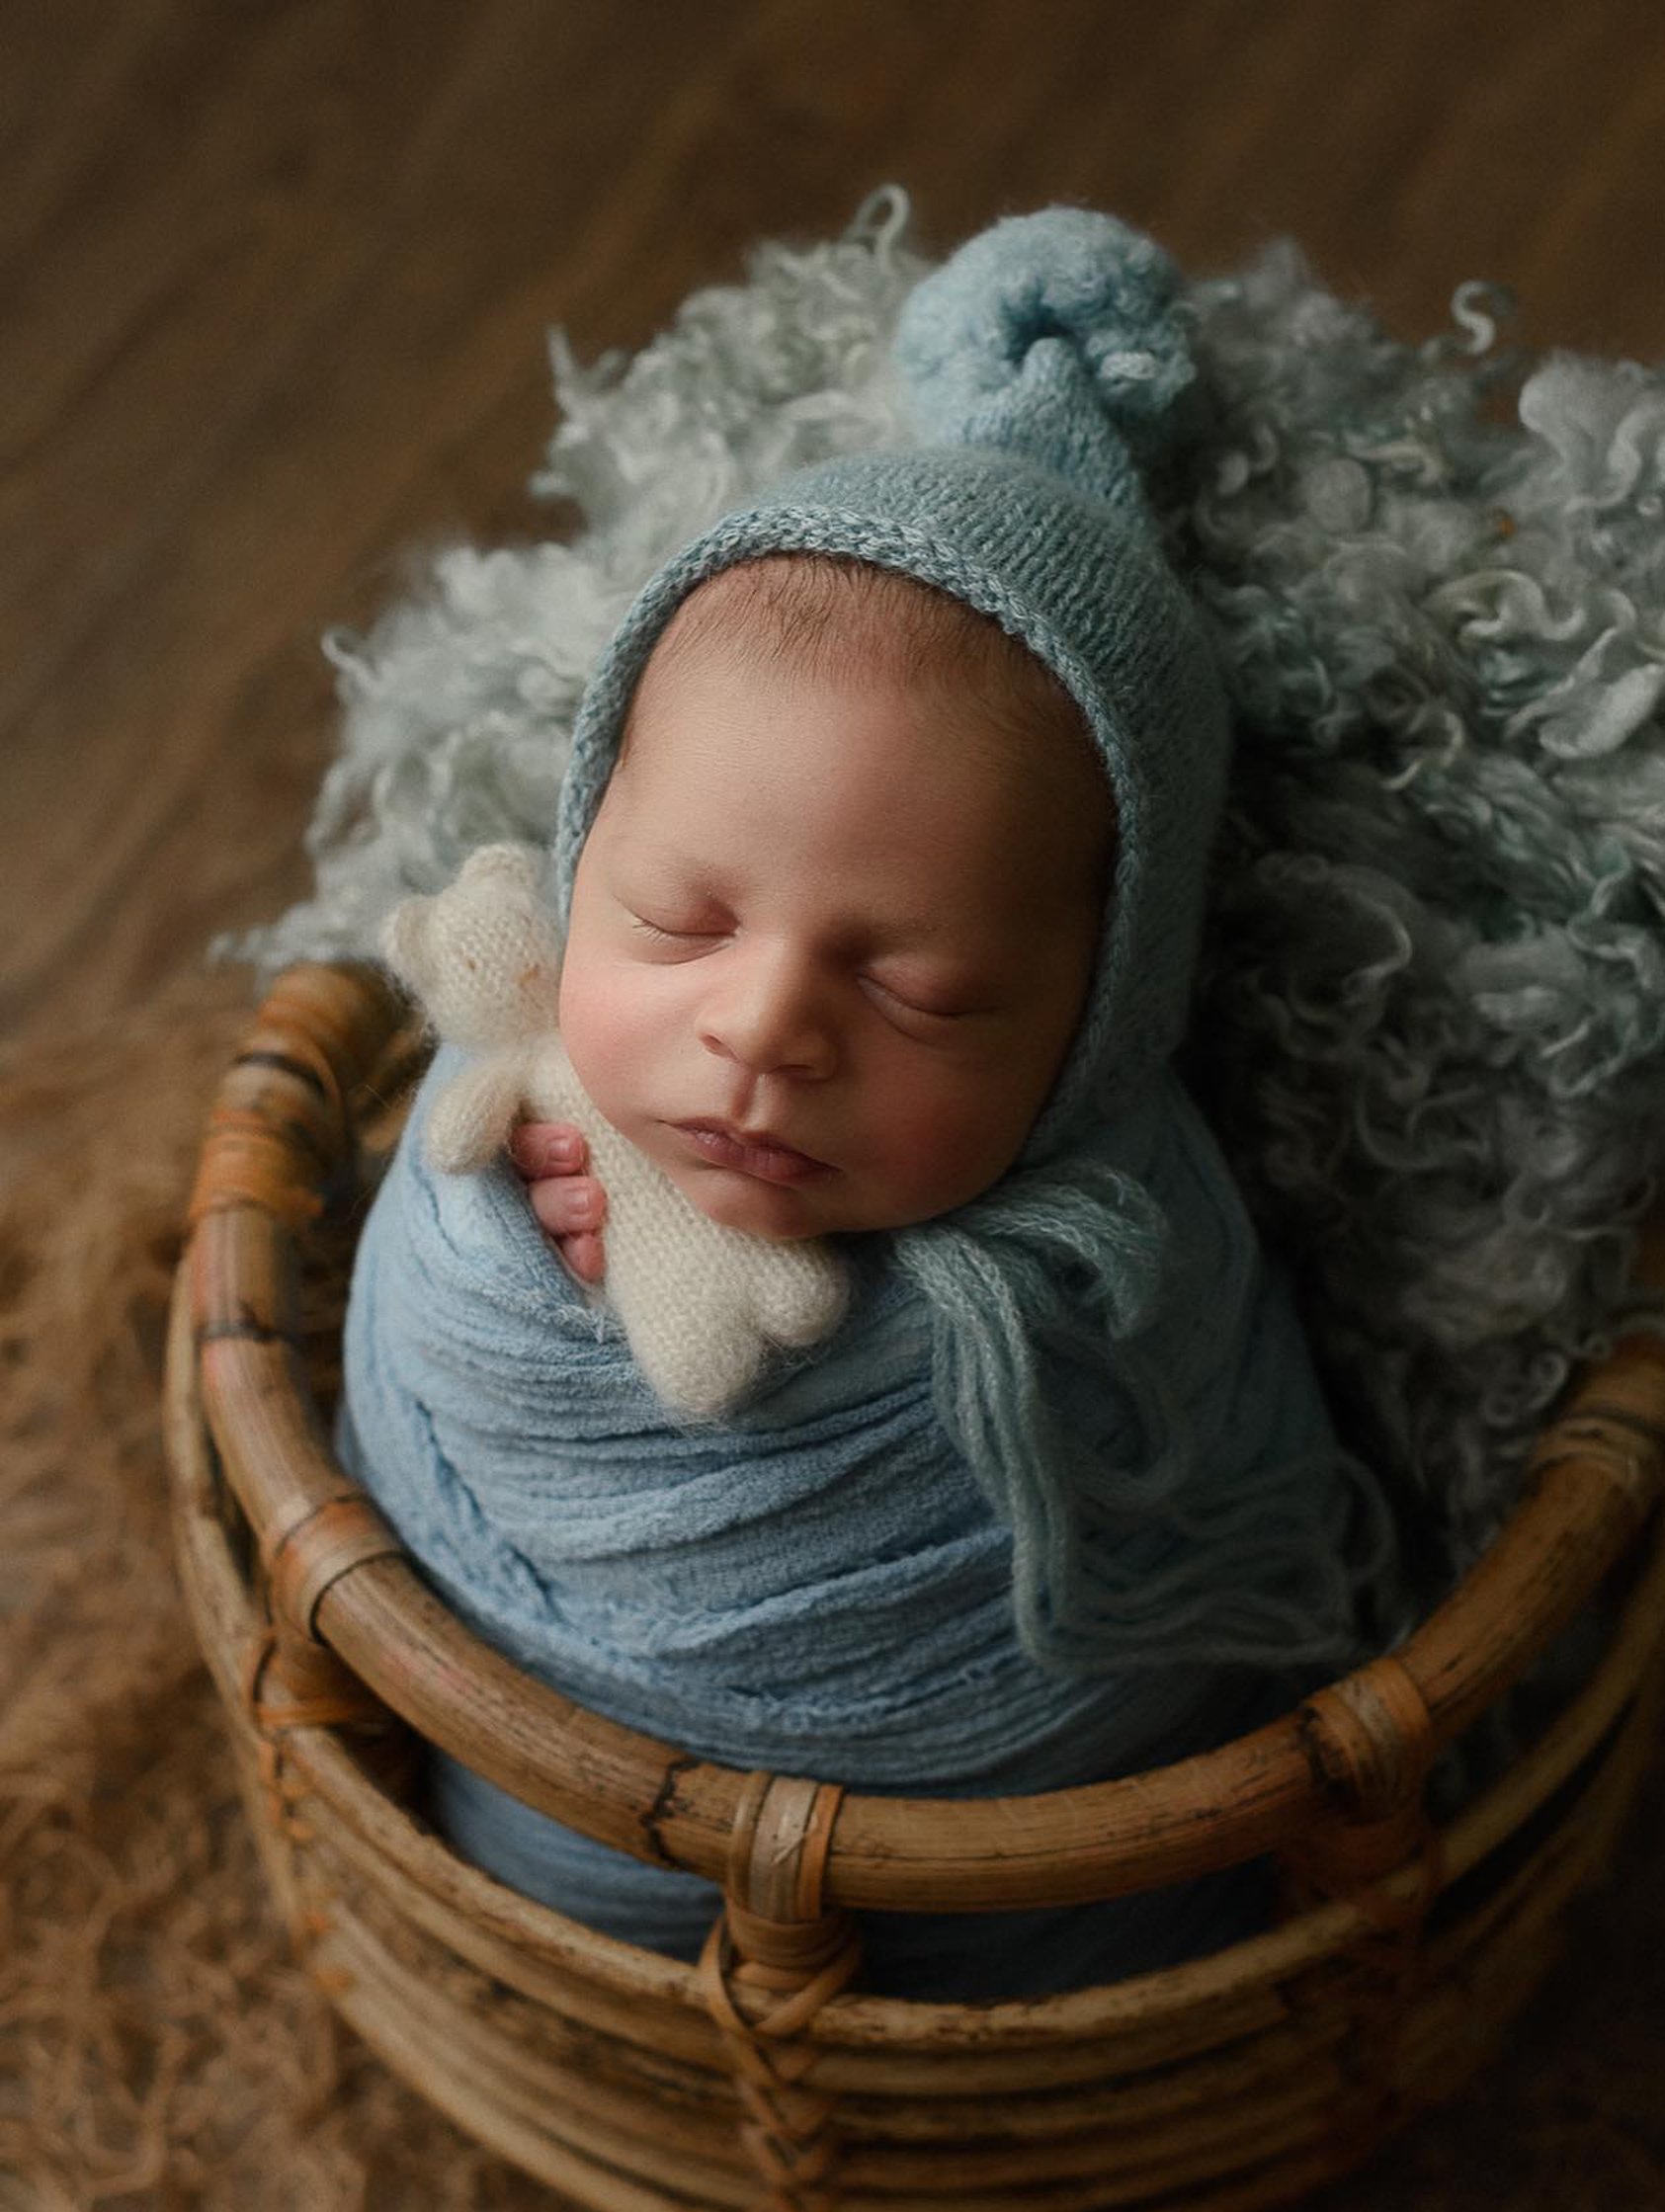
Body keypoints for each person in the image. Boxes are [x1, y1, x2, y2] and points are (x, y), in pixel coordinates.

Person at [339, 206, 1395, 1997]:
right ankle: (580, 1977)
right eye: (676, 919)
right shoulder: (507, 1131)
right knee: (556, 1925)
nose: (759, 1030)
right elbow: (434, 1373)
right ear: (582, 854)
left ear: (1102, 1022)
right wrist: (543, 1230)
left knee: (1115, 1954)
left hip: (1053, 1885)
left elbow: (1206, 1517)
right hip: (560, 1814)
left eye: (921, 992)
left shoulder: (1130, 1254)